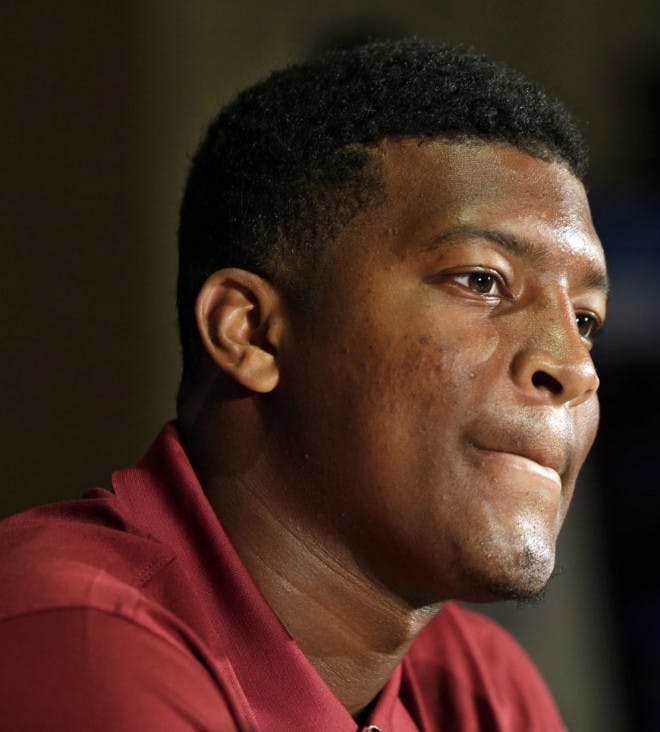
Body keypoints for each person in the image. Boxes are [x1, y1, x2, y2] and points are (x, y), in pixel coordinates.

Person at [0, 38, 608, 731]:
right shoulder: (74, 639)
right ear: (251, 332)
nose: (575, 367)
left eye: (587, 320)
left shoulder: (477, 691)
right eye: (481, 281)